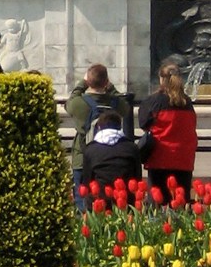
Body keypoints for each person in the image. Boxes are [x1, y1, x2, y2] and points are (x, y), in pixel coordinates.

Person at [66, 63, 130, 194]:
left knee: (83, 197)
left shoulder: (79, 103)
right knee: (110, 198)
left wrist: (82, 84)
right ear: (106, 81)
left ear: (88, 81)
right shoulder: (116, 103)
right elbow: (126, 107)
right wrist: (111, 88)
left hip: (83, 157)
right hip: (111, 157)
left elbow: (70, 102)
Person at [139, 62, 197, 203]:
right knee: (181, 200)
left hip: (160, 155)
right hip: (183, 157)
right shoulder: (187, 102)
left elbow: (143, 123)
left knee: (157, 201)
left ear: (161, 79)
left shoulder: (153, 101)